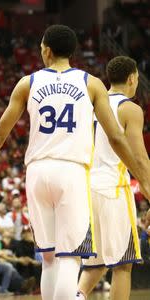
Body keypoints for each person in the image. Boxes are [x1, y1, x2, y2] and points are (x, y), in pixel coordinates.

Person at [0, 25, 150, 299]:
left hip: (37, 172)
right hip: (72, 172)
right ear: (72, 51)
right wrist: (143, 178)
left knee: (48, 258)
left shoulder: (27, 82)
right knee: (70, 259)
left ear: (46, 50)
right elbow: (118, 140)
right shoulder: (92, 83)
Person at [77, 56, 148, 300]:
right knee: (123, 264)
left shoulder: (89, 104)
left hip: (86, 189)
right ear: (132, 78)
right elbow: (139, 159)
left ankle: (78, 296)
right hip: (113, 189)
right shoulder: (129, 108)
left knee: (96, 261)